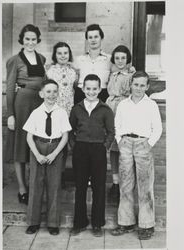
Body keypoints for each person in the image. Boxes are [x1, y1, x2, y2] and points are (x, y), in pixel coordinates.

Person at [111, 71, 162, 240]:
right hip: (125, 144)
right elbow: (117, 124)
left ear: (147, 86)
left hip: (143, 145)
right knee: (125, 185)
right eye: (136, 84)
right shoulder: (123, 104)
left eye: (142, 85)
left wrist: (148, 144)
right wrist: (120, 140)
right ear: (130, 85)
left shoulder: (151, 105)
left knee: (145, 186)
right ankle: (126, 222)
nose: (138, 88)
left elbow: (158, 128)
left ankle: (146, 225)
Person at [23, 79, 72, 235]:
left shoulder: (62, 112)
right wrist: (37, 154)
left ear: (58, 93)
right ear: (41, 94)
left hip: (55, 148)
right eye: (48, 91)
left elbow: (65, 137)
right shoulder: (36, 112)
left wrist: (54, 154)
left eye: (54, 91)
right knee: (36, 185)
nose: (51, 95)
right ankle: (33, 222)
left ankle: (53, 223)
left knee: (54, 185)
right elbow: (29, 137)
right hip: (38, 147)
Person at [69, 74, 114, 237]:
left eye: (95, 89)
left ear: (100, 89)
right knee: (80, 186)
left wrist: (105, 147)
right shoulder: (77, 108)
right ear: (83, 89)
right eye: (88, 88)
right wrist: (74, 146)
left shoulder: (105, 109)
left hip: (98, 150)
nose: (91, 91)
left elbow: (111, 132)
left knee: (98, 186)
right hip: (80, 149)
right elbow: (70, 130)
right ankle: (79, 222)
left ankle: (97, 223)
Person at [6, 24, 46, 204]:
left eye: (33, 39)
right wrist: (11, 114)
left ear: (38, 40)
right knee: (20, 144)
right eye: (27, 39)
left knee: (36, 143)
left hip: (39, 104)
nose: (30, 42)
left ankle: (35, 184)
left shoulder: (42, 58)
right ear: (22, 40)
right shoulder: (15, 60)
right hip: (21, 104)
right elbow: (9, 88)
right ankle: (22, 188)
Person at [106, 45, 135, 201]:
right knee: (113, 149)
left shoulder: (131, 75)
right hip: (111, 110)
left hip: (125, 111)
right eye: (117, 58)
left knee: (125, 149)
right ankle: (115, 183)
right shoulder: (112, 74)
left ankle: (126, 184)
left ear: (128, 59)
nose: (120, 61)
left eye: (123, 58)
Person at [46, 42, 78, 188]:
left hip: (69, 112)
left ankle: (62, 173)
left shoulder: (74, 72)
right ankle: (53, 175)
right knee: (54, 142)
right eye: (59, 53)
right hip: (54, 112)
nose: (63, 56)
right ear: (55, 55)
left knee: (65, 144)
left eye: (65, 53)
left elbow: (74, 90)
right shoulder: (50, 71)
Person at [73, 24, 111, 104]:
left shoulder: (109, 59)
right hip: (81, 95)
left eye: (96, 37)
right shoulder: (79, 59)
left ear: (101, 38)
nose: (93, 40)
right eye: (90, 37)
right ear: (87, 40)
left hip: (102, 94)